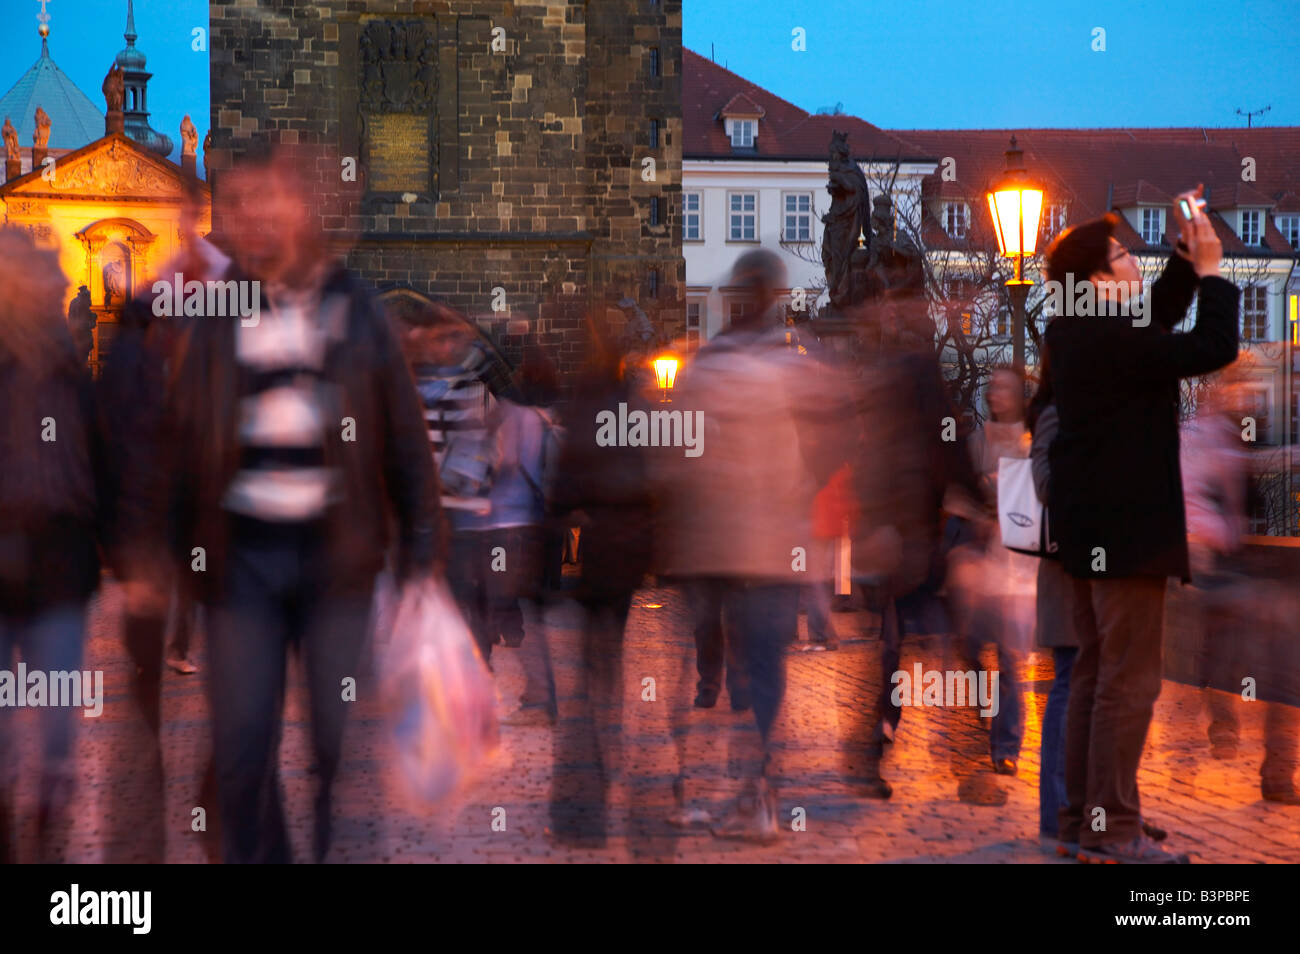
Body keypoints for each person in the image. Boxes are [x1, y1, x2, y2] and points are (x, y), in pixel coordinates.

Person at [151, 140, 441, 863]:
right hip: (240, 564)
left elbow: (402, 432)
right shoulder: (219, 314)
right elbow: (182, 441)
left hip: (335, 563)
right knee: (243, 751)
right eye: (237, 204)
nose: (250, 217)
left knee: (337, 754)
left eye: (264, 200)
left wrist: (424, 551)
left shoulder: (355, 306)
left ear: (296, 208)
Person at [1039, 191, 1238, 864]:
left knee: (1097, 676)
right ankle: (1113, 829)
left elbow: (1153, 318)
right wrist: (1212, 273)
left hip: (1091, 532)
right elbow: (1212, 345)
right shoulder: (1108, 336)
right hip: (1127, 533)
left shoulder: (1078, 330)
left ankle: (1083, 820)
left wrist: (1186, 258)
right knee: (1128, 683)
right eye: (1125, 255)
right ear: (1099, 280)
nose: (1134, 262)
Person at [658, 249, 844, 840]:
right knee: (760, 670)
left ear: (742, 295)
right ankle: (756, 797)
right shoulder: (792, 366)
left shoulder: (708, 365)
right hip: (768, 545)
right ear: (776, 297)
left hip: (714, 544)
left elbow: (675, 452)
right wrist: (802, 491)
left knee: (709, 667)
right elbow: (836, 432)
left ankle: (708, 792)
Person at [0, 229, 103, 862]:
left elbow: (105, 462)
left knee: (59, 722)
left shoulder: (73, 376)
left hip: (60, 566)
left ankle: (46, 812)